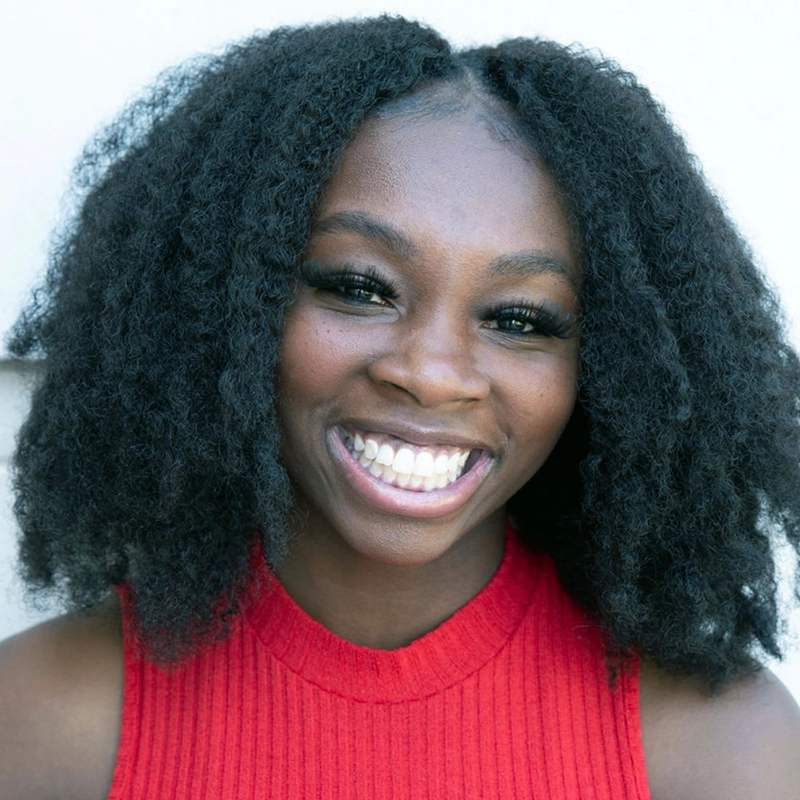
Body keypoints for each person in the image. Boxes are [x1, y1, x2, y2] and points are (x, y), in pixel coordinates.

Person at [1, 15, 799, 799]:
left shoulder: (720, 749)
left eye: (519, 319)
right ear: (223, 311)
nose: (432, 373)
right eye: (357, 288)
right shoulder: (42, 724)